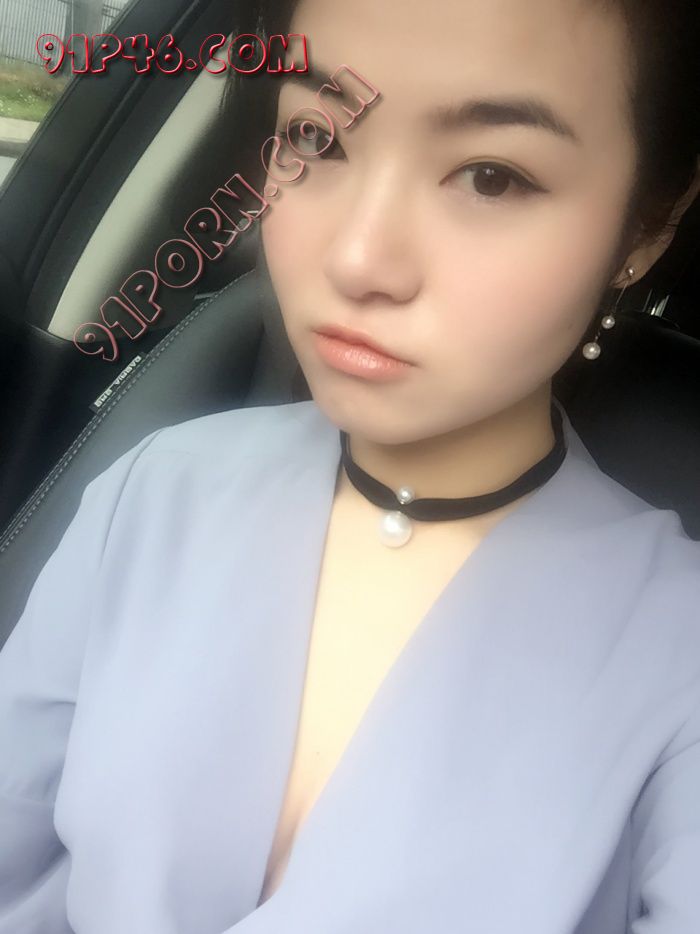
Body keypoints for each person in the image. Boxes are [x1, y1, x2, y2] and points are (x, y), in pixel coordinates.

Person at [1, 0, 699, 931]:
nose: (360, 258)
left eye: (491, 177)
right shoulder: (154, 490)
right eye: (317, 139)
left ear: (647, 227)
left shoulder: (678, 651)